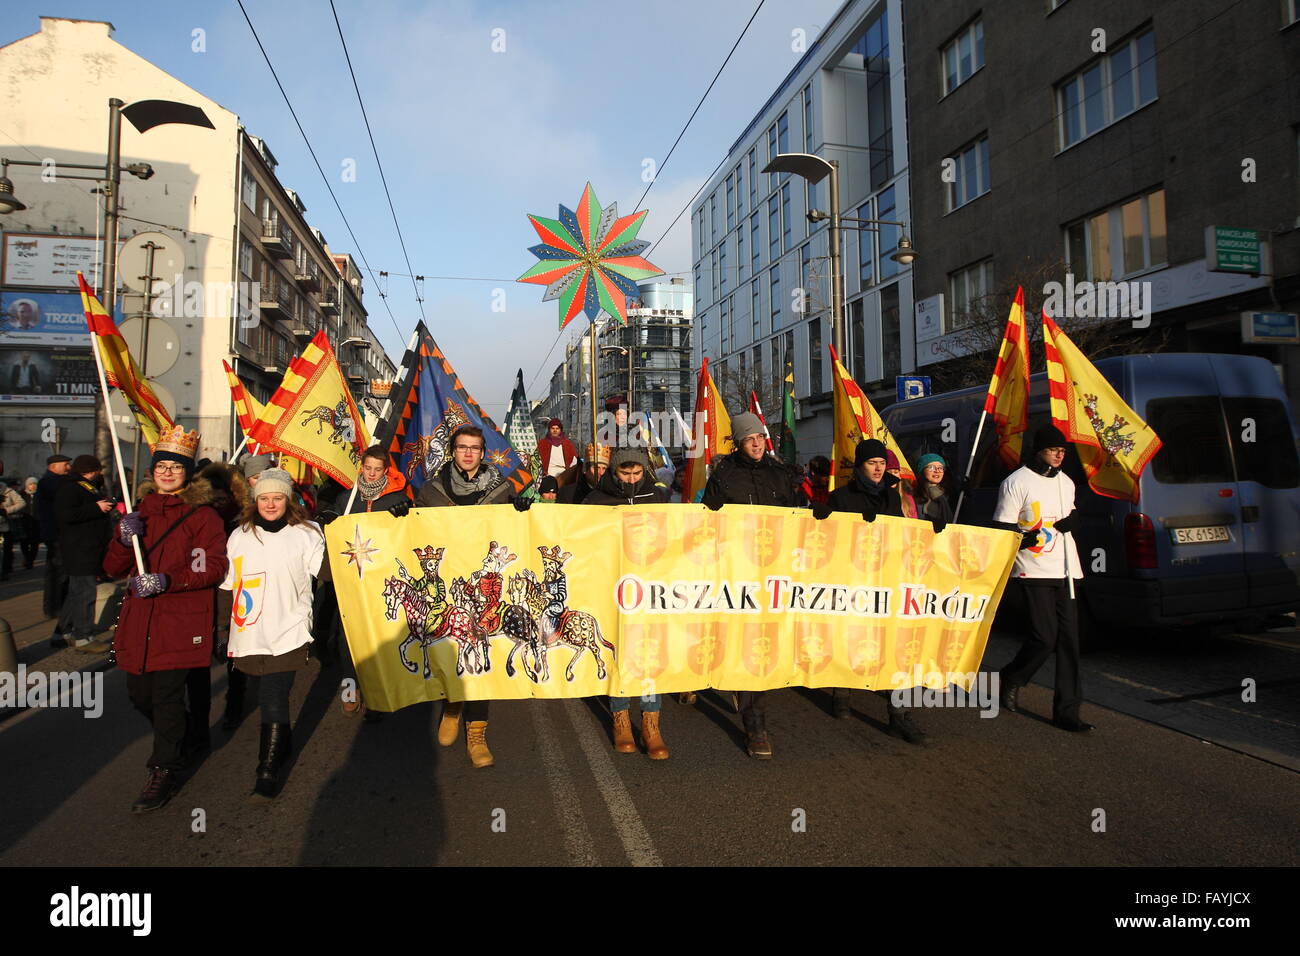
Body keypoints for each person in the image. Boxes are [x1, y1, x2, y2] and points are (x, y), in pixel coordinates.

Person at [103, 426, 229, 812]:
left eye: (177, 466)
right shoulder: (139, 513)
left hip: (180, 622)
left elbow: (212, 566)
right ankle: (189, 734)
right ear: (153, 471)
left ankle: (163, 770)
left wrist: (169, 580)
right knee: (140, 695)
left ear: (187, 472)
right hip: (139, 622)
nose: (169, 472)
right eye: (163, 466)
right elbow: (111, 568)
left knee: (168, 697)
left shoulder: (202, 516)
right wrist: (123, 541)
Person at [401, 425, 514, 767]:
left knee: (480, 654)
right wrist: (402, 517)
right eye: (462, 447)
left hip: (480, 586)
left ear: (482, 452)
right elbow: (416, 533)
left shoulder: (502, 489)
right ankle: (452, 705)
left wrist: (521, 512)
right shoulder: (432, 491)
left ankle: (477, 733)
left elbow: (513, 536)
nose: (468, 453)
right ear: (453, 451)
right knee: (448, 650)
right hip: (450, 583)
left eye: (475, 448)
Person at [701, 411, 800, 758]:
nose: (756, 444)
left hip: (774, 569)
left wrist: (816, 514)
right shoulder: (725, 474)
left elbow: (797, 516)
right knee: (743, 639)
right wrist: (709, 511)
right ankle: (754, 723)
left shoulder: (780, 473)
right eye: (749, 439)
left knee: (765, 641)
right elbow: (705, 523)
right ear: (739, 443)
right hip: (737, 569)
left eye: (759, 437)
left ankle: (751, 708)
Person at [222, 468, 325, 799]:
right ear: (255, 501)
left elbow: (326, 573)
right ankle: (284, 742)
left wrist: (343, 537)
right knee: (264, 690)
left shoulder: (306, 533)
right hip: (250, 631)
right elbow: (228, 586)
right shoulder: (240, 535)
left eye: (277, 497)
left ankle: (266, 771)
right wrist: (221, 628)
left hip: (289, 629)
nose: (270, 504)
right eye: (264, 498)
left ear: (288, 500)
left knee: (272, 696)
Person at [821, 438, 928, 744]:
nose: (879, 469)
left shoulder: (892, 498)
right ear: (860, 466)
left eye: (882, 463)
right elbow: (828, 540)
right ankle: (841, 691)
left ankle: (899, 715)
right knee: (851, 638)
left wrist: (932, 531)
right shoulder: (840, 497)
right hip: (853, 580)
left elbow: (903, 537)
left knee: (893, 645)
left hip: (887, 579)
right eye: (872, 463)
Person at [993, 424, 1091, 733]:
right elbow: (1002, 528)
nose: (1060, 455)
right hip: (1032, 568)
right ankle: (1012, 677)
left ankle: (1067, 711)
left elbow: (1071, 512)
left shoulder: (1067, 482)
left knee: (1070, 642)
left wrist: (1075, 519)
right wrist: (1025, 538)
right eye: (1053, 450)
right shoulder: (1016, 482)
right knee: (1044, 637)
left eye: (1063, 450)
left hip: (1066, 569)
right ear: (1039, 451)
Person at [583, 447, 670, 757]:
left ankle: (651, 722)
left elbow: (674, 534)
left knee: (649, 653)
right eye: (625, 473)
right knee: (618, 650)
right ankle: (620, 718)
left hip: (648, 586)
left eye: (637, 474)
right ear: (614, 472)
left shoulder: (658, 497)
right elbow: (579, 537)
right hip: (611, 587)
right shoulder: (595, 499)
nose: (632, 480)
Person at [313, 446, 411, 715]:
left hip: (382, 581)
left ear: (385, 470)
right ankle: (349, 687)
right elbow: (331, 530)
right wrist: (327, 518)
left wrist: (405, 514)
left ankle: (376, 694)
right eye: (367, 468)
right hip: (351, 580)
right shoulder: (347, 498)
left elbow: (407, 536)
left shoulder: (396, 499)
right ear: (361, 467)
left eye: (377, 469)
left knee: (379, 638)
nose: (371, 474)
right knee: (348, 639)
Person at [52, 455, 115, 652]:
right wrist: (97, 508)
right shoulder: (71, 488)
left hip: (86, 547)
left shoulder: (84, 486)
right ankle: (84, 636)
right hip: (79, 548)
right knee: (85, 592)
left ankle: (64, 631)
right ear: (91, 470)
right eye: (98, 470)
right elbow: (65, 515)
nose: (100, 473)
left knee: (76, 592)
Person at [36, 453, 72, 626]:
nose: (68, 468)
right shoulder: (50, 482)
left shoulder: (52, 482)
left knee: (55, 572)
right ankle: (55, 607)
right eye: (65, 464)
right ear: (53, 466)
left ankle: (53, 607)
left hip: (55, 533)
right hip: (56, 534)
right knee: (58, 573)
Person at [913, 453, 955, 528]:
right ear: (922, 470)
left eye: (940, 468)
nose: (937, 471)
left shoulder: (947, 494)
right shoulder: (916, 494)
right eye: (931, 467)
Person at [0, 474, 27, 580]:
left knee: (7, 550)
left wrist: (7, 510)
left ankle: (5, 571)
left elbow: (21, 503)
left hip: (5, 525)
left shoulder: (8, 491)